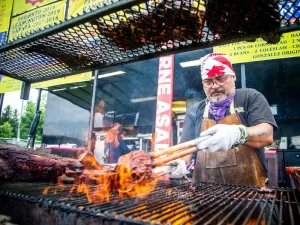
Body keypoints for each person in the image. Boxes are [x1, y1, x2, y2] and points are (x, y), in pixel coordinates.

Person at [175, 53, 277, 186]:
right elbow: (186, 149)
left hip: (250, 196)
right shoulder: (195, 111)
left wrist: (238, 134)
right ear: (203, 84)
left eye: (220, 78)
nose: (215, 85)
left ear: (233, 76)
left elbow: (267, 134)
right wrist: (179, 164)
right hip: (204, 197)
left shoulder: (250, 97)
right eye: (208, 81)